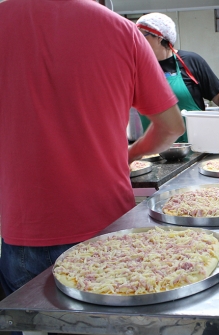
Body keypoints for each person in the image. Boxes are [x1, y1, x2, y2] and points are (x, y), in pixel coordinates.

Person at [0, 0, 185, 306]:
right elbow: (171, 127)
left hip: (23, 232)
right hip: (105, 225)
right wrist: (128, 155)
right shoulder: (123, 31)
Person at [136, 13, 219, 142]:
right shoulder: (135, 68)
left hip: (196, 148)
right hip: (154, 152)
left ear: (159, 36)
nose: (136, 41)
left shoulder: (190, 61)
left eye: (141, 35)